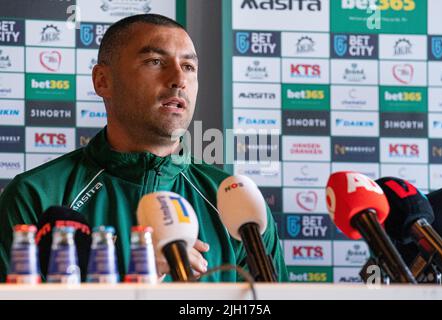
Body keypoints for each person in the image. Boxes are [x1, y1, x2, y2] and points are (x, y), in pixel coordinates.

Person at [0, 14, 288, 282]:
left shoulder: (236, 203)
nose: (178, 79)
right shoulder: (36, 195)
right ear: (103, 81)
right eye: (155, 61)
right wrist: (138, 280)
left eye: (188, 66)